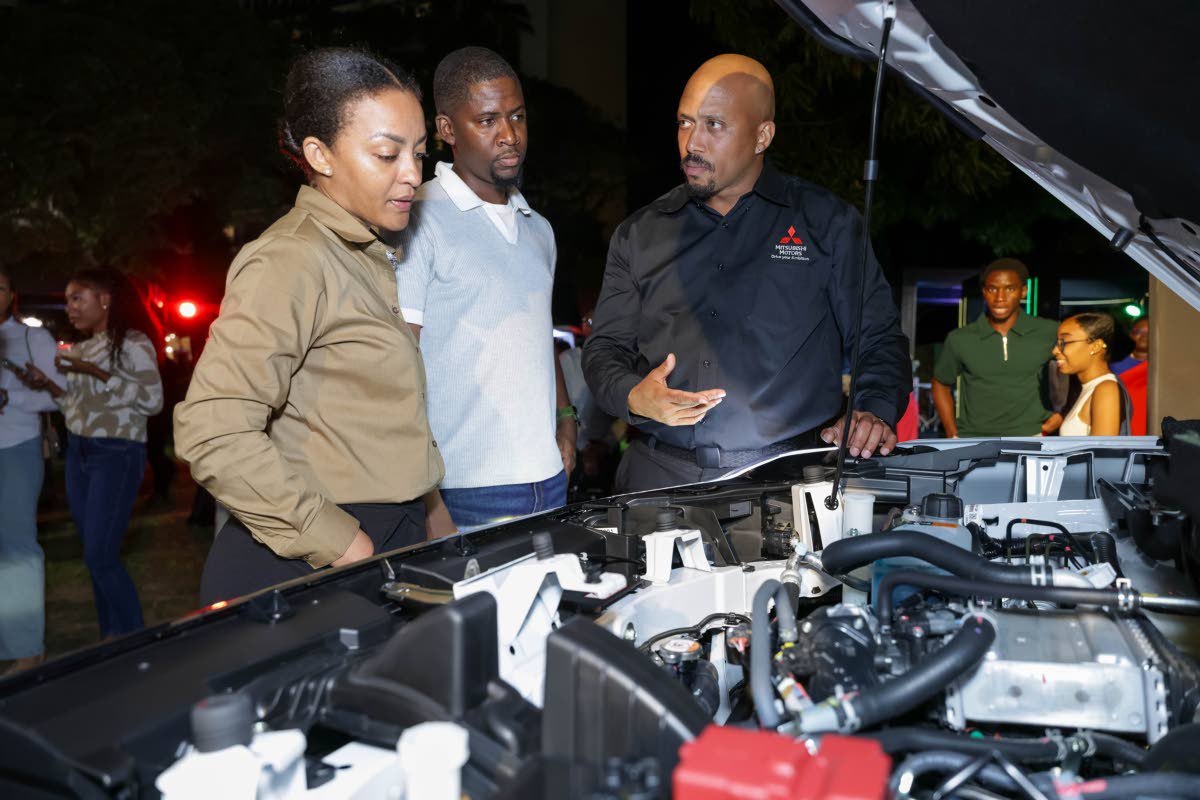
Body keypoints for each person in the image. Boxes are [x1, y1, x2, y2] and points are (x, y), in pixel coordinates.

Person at [174, 48, 443, 604]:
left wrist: (430, 515)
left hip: (385, 538)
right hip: (311, 563)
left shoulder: (366, 254)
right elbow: (213, 429)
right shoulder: (291, 260)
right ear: (319, 154)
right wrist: (345, 546)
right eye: (387, 154)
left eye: (419, 153)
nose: (413, 175)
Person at [582, 54, 909, 492]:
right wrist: (631, 394)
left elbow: (879, 339)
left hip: (786, 485)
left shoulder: (827, 225)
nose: (692, 143)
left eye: (714, 125)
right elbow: (604, 349)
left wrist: (872, 409)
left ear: (762, 135)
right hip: (656, 483)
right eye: (684, 123)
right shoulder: (639, 234)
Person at [392, 47, 575, 531]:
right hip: (465, 491)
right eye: (488, 121)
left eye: (517, 117)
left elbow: (540, 337)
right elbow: (396, 369)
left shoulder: (539, 229)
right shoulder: (418, 220)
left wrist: (567, 416)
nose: (510, 136)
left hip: (551, 481)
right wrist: (429, 503)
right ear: (447, 130)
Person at [24, 268, 163, 638]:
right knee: (96, 557)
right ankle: (110, 638)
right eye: (68, 300)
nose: (69, 308)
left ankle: (135, 640)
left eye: (77, 298)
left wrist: (97, 372)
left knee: (99, 556)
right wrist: (50, 385)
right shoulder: (81, 349)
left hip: (116, 454)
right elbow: (76, 409)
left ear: (104, 300)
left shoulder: (132, 343)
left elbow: (153, 401)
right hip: (79, 455)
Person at [0, 267, 62, 673]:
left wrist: (11, 397)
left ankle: (26, 650)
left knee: (18, 549)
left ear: (12, 295)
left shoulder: (31, 337)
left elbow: (60, 395)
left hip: (15, 447)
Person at [932, 259, 1061, 438]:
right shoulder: (961, 338)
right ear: (984, 292)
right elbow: (940, 383)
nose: (1000, 298)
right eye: (993, 289)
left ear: (1023, 291)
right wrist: (952, 432)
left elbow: (1078, 371)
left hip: (1033, 436)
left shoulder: (1049, 332)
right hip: (974, 439)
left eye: (1009, 289)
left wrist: (1062, 413)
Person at [1054, 312, 1123, 436]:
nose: (1055, 350)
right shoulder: (1088, 387)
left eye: (1064, 342)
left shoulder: (1106, 389)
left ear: (1095, 346)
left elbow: (1104, 453)